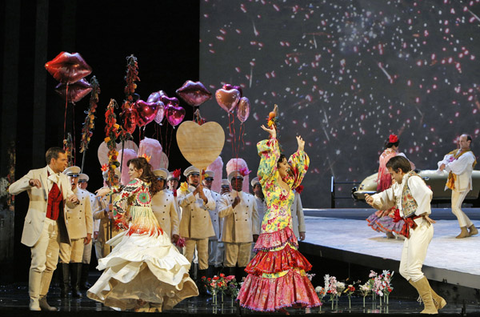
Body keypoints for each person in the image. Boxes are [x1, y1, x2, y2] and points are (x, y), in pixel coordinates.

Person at [88, 158, 198, 312]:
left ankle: (144, 297)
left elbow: (121, 200)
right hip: (150, 226)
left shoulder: (137, 183)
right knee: (147, 261)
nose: (129, 172)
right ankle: (148, 297)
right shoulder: (145, 184)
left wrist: (120, 220)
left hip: (141, 227)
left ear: (140, 171)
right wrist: (114, 191)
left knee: (137, 260)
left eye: (132, 169)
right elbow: (125, 188)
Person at [237, 124, 320, 312]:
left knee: (288, 266)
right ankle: (269, 301)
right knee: (271, 266)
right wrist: (273, 139)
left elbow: (299, 172)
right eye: (284, 164)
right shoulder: (268, 182)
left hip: (287, 227)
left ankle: (285, 299)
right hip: (273, 227)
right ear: (276, 165)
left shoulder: (289, 182)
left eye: (287, 164)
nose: (287, 167)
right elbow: (268, 163)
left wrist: (300, 151)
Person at [365, 156, 446, 314]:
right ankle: (437, 300)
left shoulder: (413, 180)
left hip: (420, 226)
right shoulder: (400, 183)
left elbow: (426, 193)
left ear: (400, 171)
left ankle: (430, 306)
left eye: (392, 174)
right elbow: (387, 196)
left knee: (414, 269)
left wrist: (423, 212)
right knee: (405, 270)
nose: (392, 177)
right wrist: (373, 199)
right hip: (412, 228)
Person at [8, 147, 79, 311]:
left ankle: (42, 298)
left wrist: (73, 200)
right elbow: (12, 189)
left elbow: (67, 201)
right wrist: (28, 183)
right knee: (38, 263)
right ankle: (33, 299)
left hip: (56, 225)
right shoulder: (35, 173)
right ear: (53, 160)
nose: (65, 163)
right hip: (41, 223)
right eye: (63, 160)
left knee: (51, 265)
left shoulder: (64, 179)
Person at [177, 166, 216, 290]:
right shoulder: (182, 190)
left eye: (197, 176)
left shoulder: (206, 191)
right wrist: (194, 193)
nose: (195, 178)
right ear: (188, 178)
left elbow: (213, 206)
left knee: (203, 257)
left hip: (203, 227)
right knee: (187, 257)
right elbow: (181, 203)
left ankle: (203, 286)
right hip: (188, 227)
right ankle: (185, 286)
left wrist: (202, 195)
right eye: (193, 176)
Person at [367, 134, 412, 239]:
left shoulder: (382, 155)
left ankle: (389, 231)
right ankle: (398, 231)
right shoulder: (396, 155)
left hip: (384, 183)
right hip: (393, 181)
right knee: (396, 205)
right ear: (395, 145)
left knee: (388, 204)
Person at [218, 170, 259, 281]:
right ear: (231, 183)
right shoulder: (225, 197)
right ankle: (229, 287)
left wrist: (255, 232)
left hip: (246, 234)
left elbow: (255, 217)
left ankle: (243, 286)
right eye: (235, 181)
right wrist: (233, 205)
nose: (238, 183)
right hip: (231, 233)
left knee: (244, 261)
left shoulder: (250, 198)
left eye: (240, 180)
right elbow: (221, 213)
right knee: (230, 262)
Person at [59, 166, 93, 298]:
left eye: (75, 177)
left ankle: (75, 288)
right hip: (65, 230)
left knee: (77, 260)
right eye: (71, 177)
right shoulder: (61, 192)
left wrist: (89, 232)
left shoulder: (84, 195)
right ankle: (64, 288)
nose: (73, 180)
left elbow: (88, 215)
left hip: (79, 230)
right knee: (64, 260)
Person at [437, 134, 478, 238]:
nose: (460, 143)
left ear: (469, 142)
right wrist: (444, 163)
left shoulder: (468, 155)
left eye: (463, 141)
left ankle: (464, 229)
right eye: (460, 141)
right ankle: (471, 227)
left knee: (455, 208)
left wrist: (445, 165)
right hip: (457, 183)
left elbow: (455, 165)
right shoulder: (458, 152)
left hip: (462, 184)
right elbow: (448, 157)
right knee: (456, 207)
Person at [93, 168, 122, 259]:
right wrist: (105, 211)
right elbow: (95, 214)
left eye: (116, 178)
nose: (114, 181)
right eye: (111, 179)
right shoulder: (101, 194)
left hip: (119, 231)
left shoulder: (123, 193)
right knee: (106, 258)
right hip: (106, 232)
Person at [202, 170, 223, 277]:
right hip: (203, 230)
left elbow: (219, 215)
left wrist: (220, 232)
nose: (209, 182)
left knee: (213, 258)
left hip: (214, 230)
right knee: (201, 257)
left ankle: (210, 281)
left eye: (210, 180)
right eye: (207, 180)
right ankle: (201, 281)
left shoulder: (216, 195)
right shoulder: (200, 194)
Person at [151, 168, 180, 242]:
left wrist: (175, 232)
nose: (158, 183)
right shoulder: (147, 196)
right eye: (156, 181)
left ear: (164, 183)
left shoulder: (169, 196)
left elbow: (174, 217)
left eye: (161, 181)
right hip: (150, 231)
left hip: (165, 231)